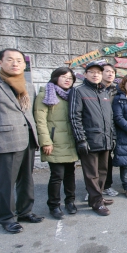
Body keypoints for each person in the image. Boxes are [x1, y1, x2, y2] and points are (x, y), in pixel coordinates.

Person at [0, 48, 43, 233]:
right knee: (6, 182)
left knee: (26, 179)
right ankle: (7, 217)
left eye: (19, 61)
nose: (15, 64)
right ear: (0, 62)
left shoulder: (27, 86)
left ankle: (25, 212)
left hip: (27, 139)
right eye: (10, 60)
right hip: (5, 141)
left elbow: (28, 113)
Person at [69, 61, 116, 216]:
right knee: (92, 173)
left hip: (105, 139)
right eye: (92, 72)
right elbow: (74, 117)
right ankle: (96, 202)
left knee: (103, 171)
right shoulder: (79, 91)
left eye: (98, 72)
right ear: (86, 74)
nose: (96, 75)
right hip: (89, 140)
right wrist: (81, 139)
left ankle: (98, 197)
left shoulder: (104, 93)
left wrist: (112, 136)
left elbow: (110, 117)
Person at [34, 67, 79, 219]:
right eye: (64, 76)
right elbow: (40, 121)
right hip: (54, 142)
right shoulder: (46, 93)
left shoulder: (72, 95)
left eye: (71, 78)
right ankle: (53, 205)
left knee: (70, 174)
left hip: (70, 141)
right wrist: (45, 141)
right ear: (55, 77)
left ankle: (70, 201)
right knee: (57, 175)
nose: (68, 80)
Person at [101, 63, 119, 197]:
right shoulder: (93, 89)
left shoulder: (116, 91)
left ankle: (107, 186)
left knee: (108, 160)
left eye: (112, 72)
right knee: (95, 163)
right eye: (107, 71)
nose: (110, 74)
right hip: (98, 131)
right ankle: (94, 190)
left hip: (113, 130)